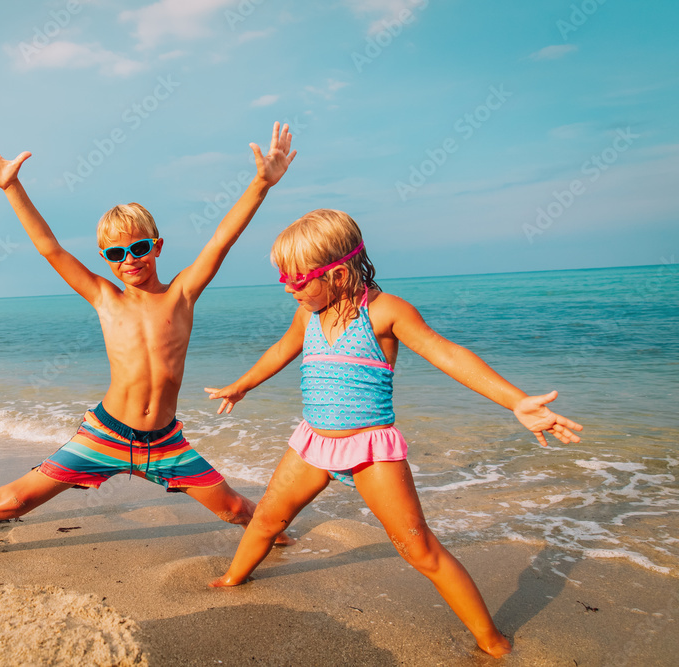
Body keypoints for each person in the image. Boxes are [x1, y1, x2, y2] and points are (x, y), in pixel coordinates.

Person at [0, 123, 297, 578]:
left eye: (140, 247)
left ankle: (289, 542)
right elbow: (50, 247)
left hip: (164, 443)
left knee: (237, 509)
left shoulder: (181, 294)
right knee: (12, 501)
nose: (130, 259)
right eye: (116, 253)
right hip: (106, 433)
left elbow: (222, 239)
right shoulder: (105, 297)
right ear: (106, 259)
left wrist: (261, 183)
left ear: (157, 246)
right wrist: (12, 187)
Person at [204, 209, 583, 658]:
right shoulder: (308, 315)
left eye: (297, 278)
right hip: (312, 442)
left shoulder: (385, 313)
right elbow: (282, 350)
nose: (288, 287)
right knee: (267, 518)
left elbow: (447, 353)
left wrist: (516, 400)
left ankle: (493, 641)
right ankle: (233, 579)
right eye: (283, 277)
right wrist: (243, 384)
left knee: (418, 549)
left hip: (370, 450)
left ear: (339, 273)